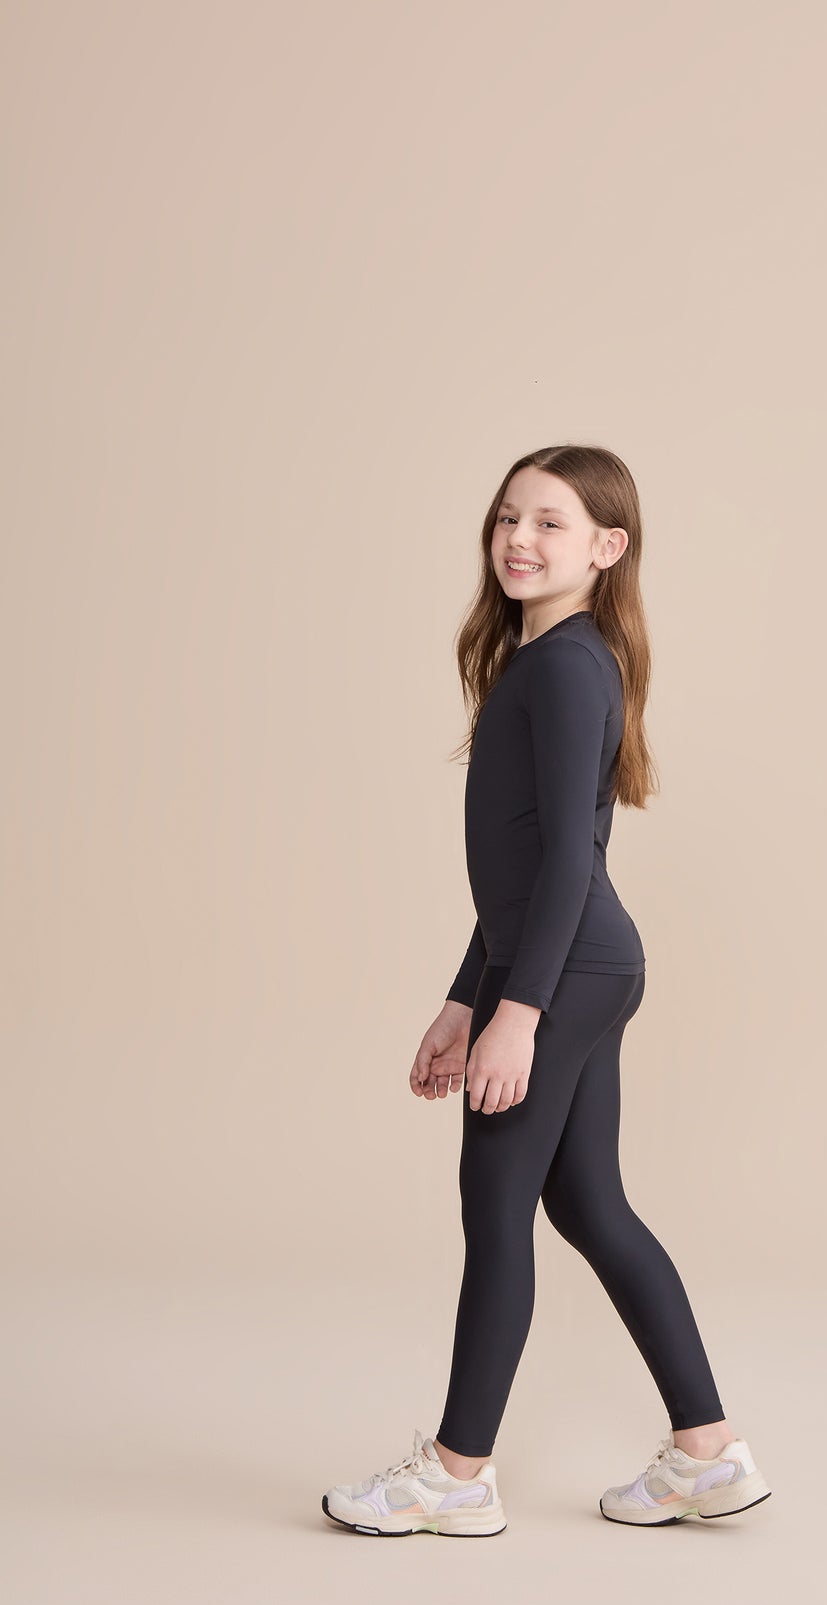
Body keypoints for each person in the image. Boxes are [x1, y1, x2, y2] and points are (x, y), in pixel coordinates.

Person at [321, 446, 771, 1536]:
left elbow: (573, 858)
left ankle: (457, 1475)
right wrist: (465, 1000)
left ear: (608, 548)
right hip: (574, 963)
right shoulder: (546, 662)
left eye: (550, 523)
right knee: (588, 1205)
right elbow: (521, 876)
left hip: (566, 973)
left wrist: (517, 1013)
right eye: (507, 518)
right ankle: (707, 1455)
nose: (518, 539)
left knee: (498, 1210)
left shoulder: (568, 666)